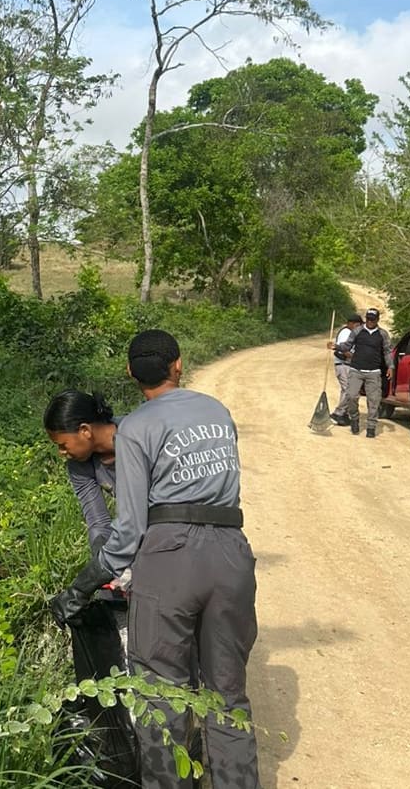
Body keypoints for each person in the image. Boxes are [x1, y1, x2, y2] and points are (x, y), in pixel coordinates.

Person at [51, 329, 260, 788]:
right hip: (231, 554)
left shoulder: (138, 429)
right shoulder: (217, 411)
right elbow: (100, 524)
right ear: (178, 364)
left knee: (160, 701)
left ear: (129, 373)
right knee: (228, 697)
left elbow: (128, 529)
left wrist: (86, 583)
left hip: (168, 560)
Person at [44, 389, 120, 553]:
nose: (61, 453)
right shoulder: (79, 466)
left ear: (85, 430)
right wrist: (100, 557)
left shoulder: (140, 435)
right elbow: (98, 523)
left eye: (63, 445)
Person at [334, 307, 393, 438]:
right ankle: (354, 418)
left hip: (374, 372)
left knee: (374, 401)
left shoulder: (383, 334)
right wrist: (336, 346)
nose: (370, 322)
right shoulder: (357, 331)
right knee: (351, 396)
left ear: (377, 320)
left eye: (373, 319)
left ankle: (371, 427)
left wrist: (391, 366)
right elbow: (347, 346)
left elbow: (387, 351)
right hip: (356, 370)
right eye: (369, 319)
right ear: (366, 319)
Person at [326, 314, 363, 426]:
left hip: (348, 365)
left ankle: (343, 413)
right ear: (351, 323)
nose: (359, 327)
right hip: (343, 364)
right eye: (358, 324)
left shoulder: (351, 333)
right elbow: (342, 350)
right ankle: (338, 413)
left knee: (346, 390)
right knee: (349, 390)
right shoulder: (346, 333)